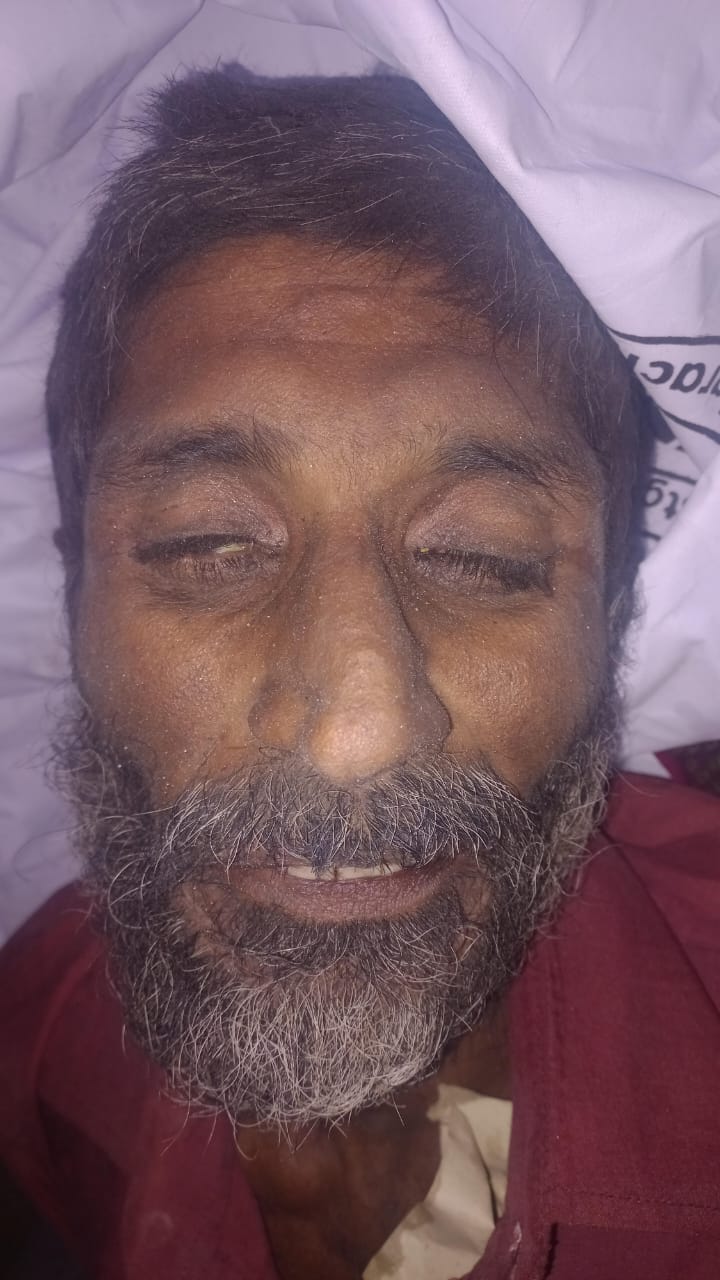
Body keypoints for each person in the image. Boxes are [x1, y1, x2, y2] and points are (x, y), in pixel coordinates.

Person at [1, 66, 719, 1280]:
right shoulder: (42, 1019)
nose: (361, 729)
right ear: (74, 583)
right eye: (208, 544)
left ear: (610, 611)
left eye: (481, 558)